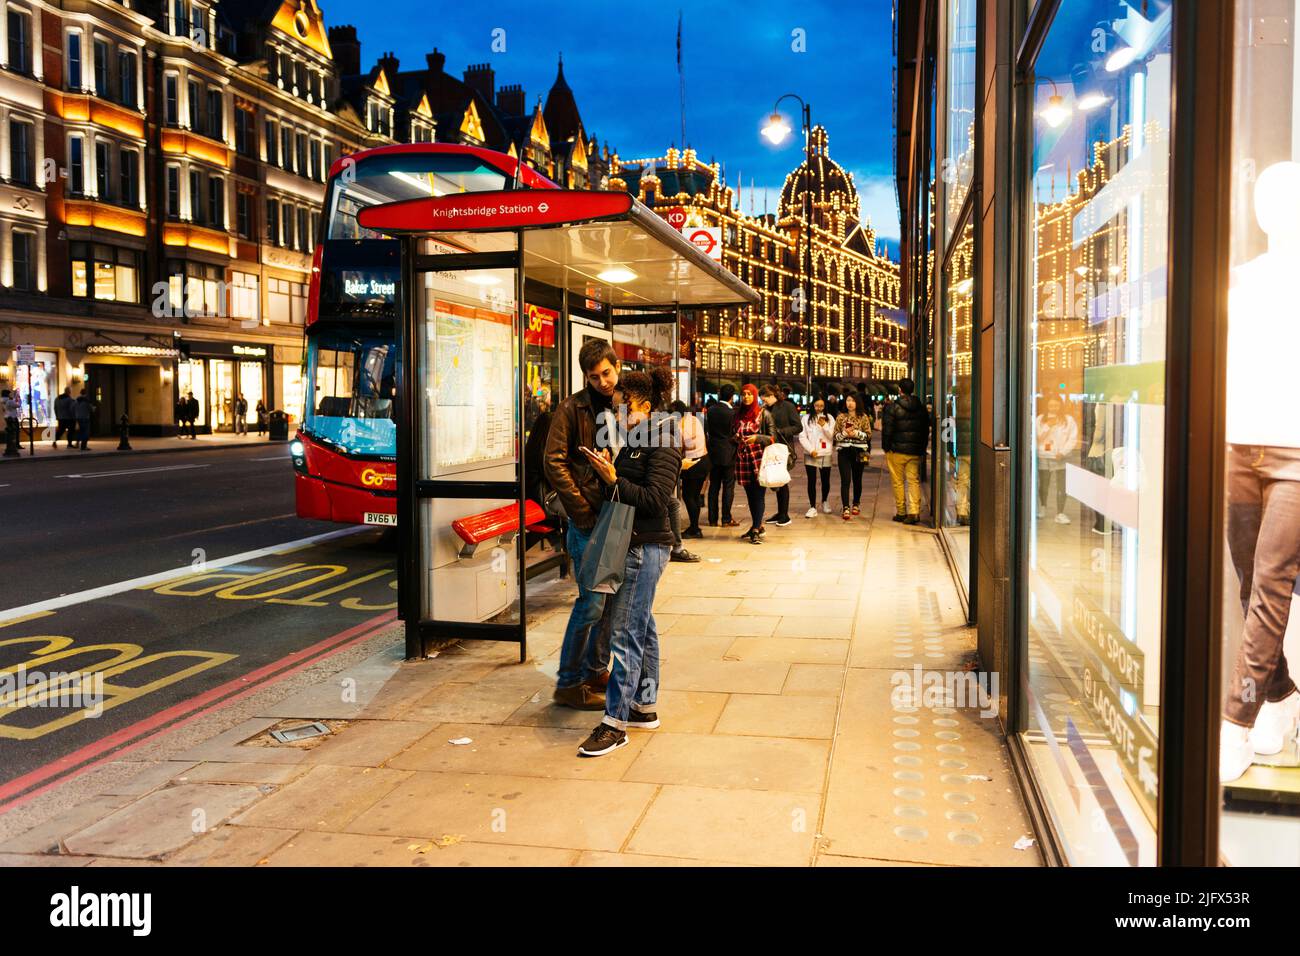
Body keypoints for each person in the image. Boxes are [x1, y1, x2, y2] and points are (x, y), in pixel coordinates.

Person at [576, 366, 682, 757]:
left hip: (646, 546)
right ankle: (644, 707)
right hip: (632, 542)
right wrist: (608, 471)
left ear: (643, 404)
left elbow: (658, 499)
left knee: (626, 634)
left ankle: (614, 723)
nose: (618, 413)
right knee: (644, 625)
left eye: (623, 406)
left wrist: (613, 479)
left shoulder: (665, 437)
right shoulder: (639, 437)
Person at [544, 339, 620, 710]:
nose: (602, 382)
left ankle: (593, 668)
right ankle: (568, 683)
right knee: (590, 603)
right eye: (594, 377)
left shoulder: (626, 406)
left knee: (608, 602)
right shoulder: (571, 409)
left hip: (618, 516)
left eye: (606, 373)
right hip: (589, 519)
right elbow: (553, 462)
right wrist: (580, 510)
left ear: (616, 366)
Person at [733, 383, 777, 544]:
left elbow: (773, 438)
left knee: (758, 495)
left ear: (755, 396)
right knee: (751, 496)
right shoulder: (738, 414)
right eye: (744, 394)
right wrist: (737, 439)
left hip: (759, 459)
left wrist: (757, 438)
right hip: (743, 460)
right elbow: (733, 434)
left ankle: (757, 529)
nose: (746, 397)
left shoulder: (764, 414)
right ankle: (756, 525)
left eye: (749, 394)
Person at [881, 377, 930, 525]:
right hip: (914, 451)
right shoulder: (921, 407)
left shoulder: (892, 407)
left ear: (900, 390)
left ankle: (901, 512)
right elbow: (925, 430)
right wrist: (922, 448)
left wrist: (886, 447)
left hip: (896, 450)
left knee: (898, 482)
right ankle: (914, 512)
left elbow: (887, 430)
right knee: (913, 480)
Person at [1034, 395, 1079, 524]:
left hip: (1061, 457)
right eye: (1050, 405)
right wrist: (1048, 425)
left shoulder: (1068, 420)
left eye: (1056, 405)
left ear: (1060, 406)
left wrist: (1063, 452)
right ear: (1047, 406)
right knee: (1044, 484)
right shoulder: (1041, 419)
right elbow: (1038, 438)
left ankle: (1060, 513)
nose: (1053, 408)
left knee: (1061, 485)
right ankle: (1042, 509)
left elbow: (1072, 438)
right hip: (1044, 456)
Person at [671, 399, 709, 549]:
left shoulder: (679, 426)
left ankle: (695, 528)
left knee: (688, 496)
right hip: (704, 461)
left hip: (691, 464)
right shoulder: (694, 419)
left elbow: (678, 448)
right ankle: (695, 526)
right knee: (694, 496)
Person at [765, 385, 802, 527]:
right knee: (776, 481)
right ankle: (780, 513)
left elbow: (798, 426)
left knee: (782, 480)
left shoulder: (787, 406)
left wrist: (782, 431)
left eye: (767, 396)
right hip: (770, 448)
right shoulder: (766, 409)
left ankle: (785, 515)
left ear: (774, 395)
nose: (765, 400)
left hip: (783, 449)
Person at [834, 393, 874, 520]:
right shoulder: (840, 417)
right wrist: (845, 433)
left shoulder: (863, 417)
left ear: (857, 402)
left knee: (857, 479)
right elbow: (835, 436)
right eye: (847, 400)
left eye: (852, 401)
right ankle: (845, 507)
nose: (849, 403)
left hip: (859, 451)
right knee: (845, 480)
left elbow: (868, 435)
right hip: (844, 451)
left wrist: (856, 433)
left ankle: (856, 503)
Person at [705, 384, 738, 528]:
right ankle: (726, 519)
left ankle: (712, 519)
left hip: (713, 452)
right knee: (728, 487)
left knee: (714, 486)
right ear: (732, 397)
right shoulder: (733, 413)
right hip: (729, 453)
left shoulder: (711, 410)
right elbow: (734, 432)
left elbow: (708, 430)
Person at [799, 397, 837, 517]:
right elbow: (802, 436)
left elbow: (832, 435)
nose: (819, 408)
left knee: (825, 479)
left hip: (825, 452)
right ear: (812, 405)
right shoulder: (806, 418)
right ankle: (812, 507)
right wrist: (810, 449)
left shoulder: (830, 418)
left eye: (821, 405)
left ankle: (825, 501)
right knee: (811, 480)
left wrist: (825, 425)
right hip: (811, 453)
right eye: (816, 405)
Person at [2, 388, 19, 456]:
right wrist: (16, 400)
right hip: (12, 417)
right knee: (13, 433)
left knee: (10, 432)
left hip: (7, 417)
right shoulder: (9, 401)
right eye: (9, 394)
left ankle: (10, 448)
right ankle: (12, 448)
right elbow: (18, 405)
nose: (10, 395)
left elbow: (4, 409)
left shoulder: (3, 401)